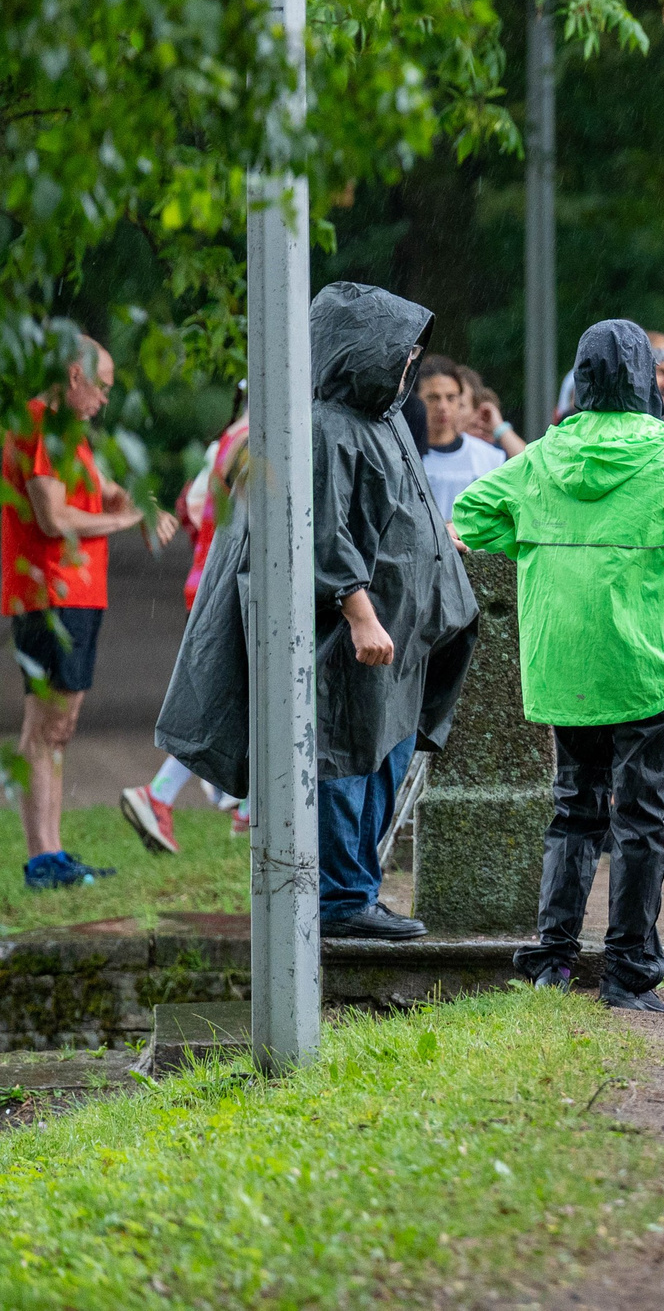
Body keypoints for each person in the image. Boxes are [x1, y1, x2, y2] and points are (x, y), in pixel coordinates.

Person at [159, 283, 483, 938]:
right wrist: (360, 612)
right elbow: (321, 535)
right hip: (352, 639)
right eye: (400, 350)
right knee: (344, 758)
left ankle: (356, 889)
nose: (410, 362)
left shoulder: (378, 419)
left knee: (382, 758)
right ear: (360, 350)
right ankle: (341, 899)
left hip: (394, 638)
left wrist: (434, 542)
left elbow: (394, 505)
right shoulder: (326, 428)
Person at [453, 320, 664, 1011]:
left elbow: (472, 513)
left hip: (564, 660)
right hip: (648, 659)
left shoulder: (544, 455)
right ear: (644, 379)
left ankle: (553, 959)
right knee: (642, 817)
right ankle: (628, 971)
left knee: (574, 808)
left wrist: (538, 542)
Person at [6, 336, 174, 888]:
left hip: (74, 594)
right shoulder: (40, 425)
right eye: (100, 386)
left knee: (58, 726)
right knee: (46, 726)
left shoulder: (67, 436)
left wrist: (142, 507)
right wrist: (126, 522)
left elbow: (106, 490)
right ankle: (42, 860)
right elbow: (53, 518)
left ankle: (50, 855)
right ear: (73, 376)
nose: (104, 398)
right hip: (50, 594)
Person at [121, 395, 253, 856]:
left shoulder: (224, 442)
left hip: (207, 581)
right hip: (234, 587)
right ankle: (161, 795)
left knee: (231, 697)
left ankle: (241, 808)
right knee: (228, 701)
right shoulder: (260, 439)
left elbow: (190, 508)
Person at [415, 355, 507, 519]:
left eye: (451, 398)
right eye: (433, 398)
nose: (443, 407)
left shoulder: (489, 458)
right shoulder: (404, 457)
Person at [454, 365, 527, 457]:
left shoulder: (490, 453)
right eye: (437, 399)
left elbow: (529, 463)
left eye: (460, 405)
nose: (446, 409)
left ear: (476, 412)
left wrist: (500, 428)